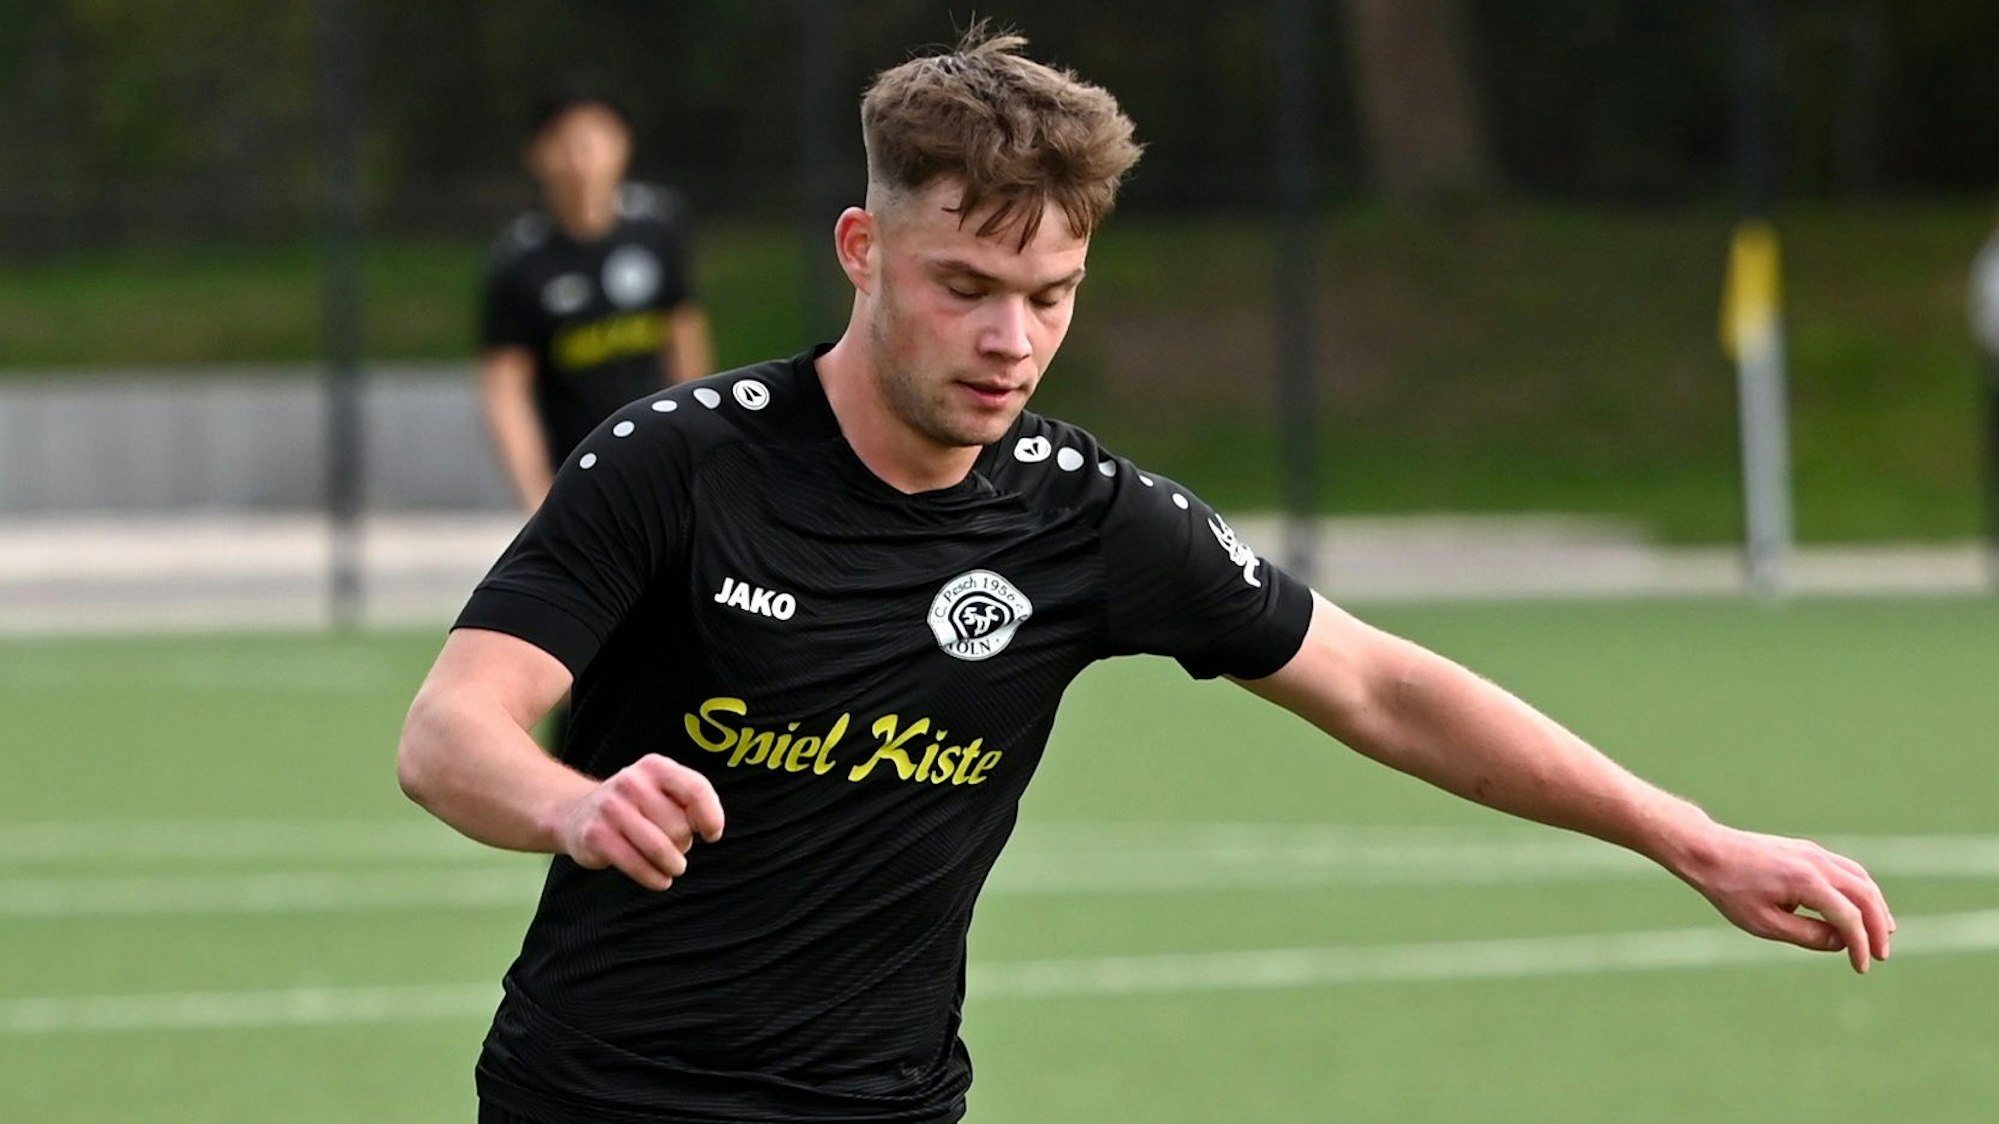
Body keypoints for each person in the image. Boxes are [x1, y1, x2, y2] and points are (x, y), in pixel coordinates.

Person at [400, 27, 1894, 1124]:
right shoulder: (677, 460)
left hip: (887, 1103)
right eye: (963, 288)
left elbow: (1376, 685)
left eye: (1049, 296)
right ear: (861, 248)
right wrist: (574, 805)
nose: (1010, 342)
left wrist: (1688, 837)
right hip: (602, 1093)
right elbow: (451, 732)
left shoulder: (1084, 516)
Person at [479, 84, 713, 514]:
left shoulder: (659, 231)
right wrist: (538, 496)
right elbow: (505, 387)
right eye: (565, 142)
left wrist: (698, 448)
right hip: (576, 486)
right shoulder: (519, 262)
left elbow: (684, 341)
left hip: (659, 471)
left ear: (623, 143)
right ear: (536, 154)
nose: (581, 159)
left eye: (594, 139)